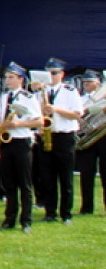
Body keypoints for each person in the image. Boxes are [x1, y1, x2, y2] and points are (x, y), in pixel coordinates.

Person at [0, 62, 42, 233]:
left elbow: (38, 121)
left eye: (11, 77)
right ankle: (10, 217)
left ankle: (26, 219)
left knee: (24, 182)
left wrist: (18, 123)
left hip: (22, 141)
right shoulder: (3, 97)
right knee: (8, 182)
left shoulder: (28, 98)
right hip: (6, 141)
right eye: (6, 77)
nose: (7, 80)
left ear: (20, 79)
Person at [38, 57, 85, 224]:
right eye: (48, 73)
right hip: (47, 135)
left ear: (62, 74)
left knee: (65, 177)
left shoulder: (70, 91)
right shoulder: (41, 92)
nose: (51, 76)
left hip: (64, 136)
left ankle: (66, 213)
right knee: (47, 176)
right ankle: (50, 212)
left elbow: (77, 114)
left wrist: (55, 109)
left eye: (54, 73)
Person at [77, 71, 106, 215]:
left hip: (103, 136)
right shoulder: (81, 99)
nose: (86, 84)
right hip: (87, 138)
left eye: (90, 81)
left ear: (98, 83)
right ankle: (86, 207)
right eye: (84, 82)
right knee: (86, 173)